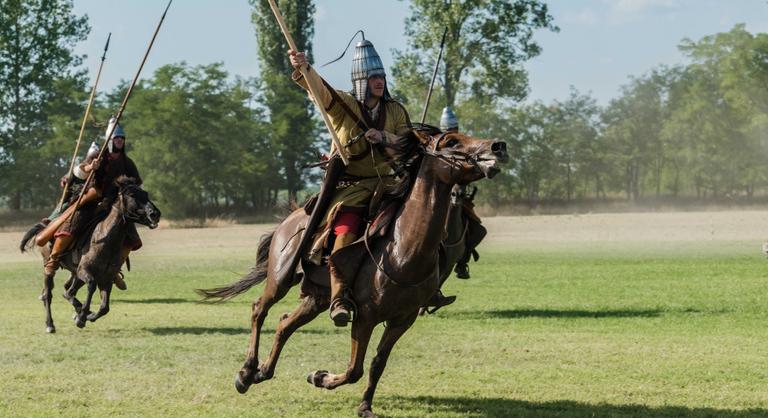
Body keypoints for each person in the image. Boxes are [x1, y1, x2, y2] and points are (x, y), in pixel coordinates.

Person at [288, 38, 413, 326]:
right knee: (345, 230)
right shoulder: (343, 104)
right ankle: (339, 297)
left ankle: (424, 285)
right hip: (352, 188)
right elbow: (319, 91)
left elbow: (408, 144)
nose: (379, 82)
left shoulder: (395, 110)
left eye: (381, 77)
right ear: (361, 80)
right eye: (373, 77)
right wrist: (305, 68)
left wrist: (384, 137)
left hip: (389, 184)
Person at [44, 118, 143, 290]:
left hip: (115, 206)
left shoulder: (127, 162)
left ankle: (114, 270)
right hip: (92, 201)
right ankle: (54, 259)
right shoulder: (98, 156)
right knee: (72, 226)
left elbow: (136, 183)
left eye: (122, 138)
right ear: (110, 140)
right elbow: (79, 171)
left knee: (132, 239)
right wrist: (91, 168)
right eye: (116, 138)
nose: (120, 141)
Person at [439, 106, 487, 280]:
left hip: (460, 193)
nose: (451, 132)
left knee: (478, 231)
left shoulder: (464, 145)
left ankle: (462, 263)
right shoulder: (437, 146)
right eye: (448, 129)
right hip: (438, 194)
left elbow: (472, 167)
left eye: (453, 128)